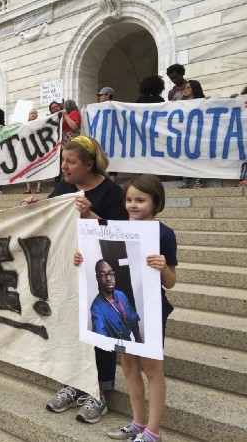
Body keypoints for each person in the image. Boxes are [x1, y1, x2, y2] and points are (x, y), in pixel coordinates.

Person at [24, 135, 128, 424]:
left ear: (89, 164)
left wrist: (90, 214)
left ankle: (101, 392)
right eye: (62, 161)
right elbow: (51, 216)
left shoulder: (111, 193)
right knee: (71, 326)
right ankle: (74, 381)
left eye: (70, 162)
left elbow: (121, 234)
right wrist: (35, 205)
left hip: (100, 274)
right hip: (67, 269)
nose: (64, 167)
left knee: (101, 329)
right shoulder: (65, 187)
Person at [106, 174, 176, 442]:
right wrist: (82, 258)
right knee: (128, 365)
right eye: (129, 199)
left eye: (140, 200)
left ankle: (153, 431)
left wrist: (162, 269)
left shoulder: (164, 234)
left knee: (152, 368)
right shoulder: (117, 228)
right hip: (121, 309)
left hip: (152, 308)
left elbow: (171, 282)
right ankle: (137, 422)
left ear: (156, 202)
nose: (133, 205)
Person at [89, 260, 142, 341]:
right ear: (97, 278)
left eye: (110, 273)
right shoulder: (96, 308)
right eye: (103, 274)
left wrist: (139, 341)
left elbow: (133, 320)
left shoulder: (121, 294)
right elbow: (101, 339)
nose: (109, 278)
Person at [178, 80, 206, 189]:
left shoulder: (202, 101)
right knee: (184, 157)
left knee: (198, 157)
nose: (186, 90)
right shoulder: (182, 102)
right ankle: (186, 181)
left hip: (198, 134)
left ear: (194, 88)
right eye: (185, 88)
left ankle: (199, 181)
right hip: (185, 134)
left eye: (188, 88)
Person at [96, 88, 118, 182]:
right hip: (102, 136)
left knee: (114, 157)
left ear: (108, 95)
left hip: (113, 136)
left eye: (101, 95)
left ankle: (112, 180)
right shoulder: (97, 107)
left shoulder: (116, 106)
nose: (99, 97)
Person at [25, 109, 42, 194]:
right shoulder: (25, 125)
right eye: (31, 113)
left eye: (35, 113)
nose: (33, 114)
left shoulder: (40, 123)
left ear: (37, 115)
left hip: (38, 148)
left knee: (39, 167)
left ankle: (38, 188)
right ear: (29, 115)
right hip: (28, 148)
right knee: (28, 168)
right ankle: (28, 188)